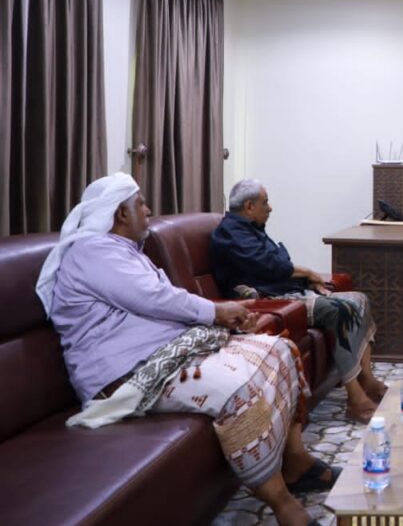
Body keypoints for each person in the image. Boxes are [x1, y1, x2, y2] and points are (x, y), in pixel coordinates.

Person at [36, 173, 332, 526]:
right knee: (239, 390)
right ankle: (282, 503)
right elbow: (155, 298)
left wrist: (222, 317)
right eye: (140, 204)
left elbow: (158, 305)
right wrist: (217, 313)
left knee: (279, 350)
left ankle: (296, 461)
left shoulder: (120, 251)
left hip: (164, 354)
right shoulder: (93, 252)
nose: (148, 210)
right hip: (126, 375)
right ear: (121, 213)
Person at [211, 179, 388, 424]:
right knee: (342, 309)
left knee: (360, 299)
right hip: (270, 300)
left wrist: (308, 281)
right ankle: (356, 399)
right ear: (249, 206)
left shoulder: (250, 228)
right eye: (265, 202)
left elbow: (277, 265)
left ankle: (366, 379)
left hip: (286, 291)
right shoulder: (230, 233)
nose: (270, 208)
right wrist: (307, 273)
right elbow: (270, 266)